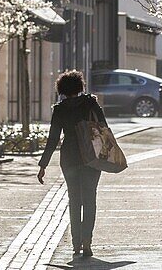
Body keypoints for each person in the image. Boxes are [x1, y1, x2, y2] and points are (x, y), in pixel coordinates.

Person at [36, 69, 107, 258]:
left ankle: (76, 243)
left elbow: (52, 139)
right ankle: (87, 241)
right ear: (80, 86)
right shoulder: (91, 103)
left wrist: (43, 165)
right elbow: (104, 127)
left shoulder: (60, 109)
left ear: (62, 89)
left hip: (69, 158)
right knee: (90, 199)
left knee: (74, 200)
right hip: (91, 157)